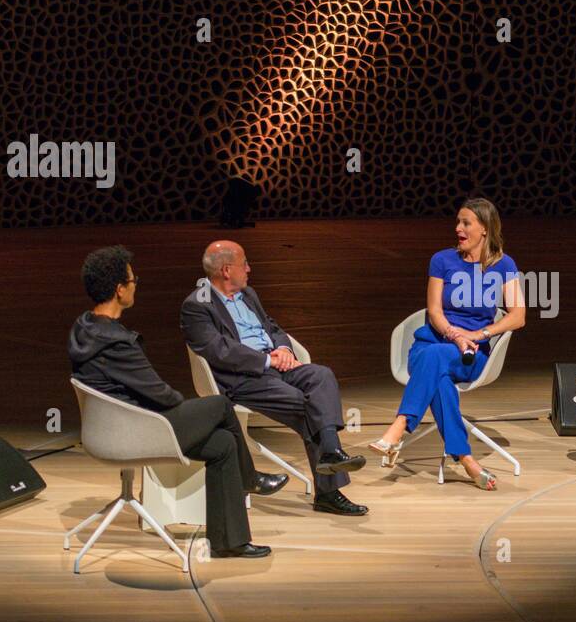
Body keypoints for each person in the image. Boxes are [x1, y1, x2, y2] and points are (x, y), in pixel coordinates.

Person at [69, 245, 287, 558]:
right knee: (221, 405)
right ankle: (250, 478)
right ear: (119, 290)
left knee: (224, 442)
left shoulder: (84, 328)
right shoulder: (116, 343)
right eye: (133, 281)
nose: (135, 286)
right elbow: (161, 395)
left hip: (119, 424)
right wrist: (179, 402)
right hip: (137, 430)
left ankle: (230, 542)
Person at [181, 240, 368, 516]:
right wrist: (267, 359)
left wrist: (282, 348)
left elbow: (272, 327)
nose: (249, 268)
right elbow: (220, 351)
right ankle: (329, 489)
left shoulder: (248, 294)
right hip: (242, 378)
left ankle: (329, 454)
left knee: (321, 376)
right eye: (244, 263)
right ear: (226, 270)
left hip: (277, 364)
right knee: (309, 405)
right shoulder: (197, 305)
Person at [368, 198, 525, 490]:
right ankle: (465, 458)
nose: (458, 229)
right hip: (432, 344)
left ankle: (400, 427)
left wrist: (480, 335)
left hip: (471, 355)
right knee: (436, 364)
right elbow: (434, 312)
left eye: (466, 223)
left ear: (485, 230)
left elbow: (518, 316)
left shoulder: (504, 265)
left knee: (438, 365)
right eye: (458, 222)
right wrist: (456, 335)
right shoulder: (442, 260)